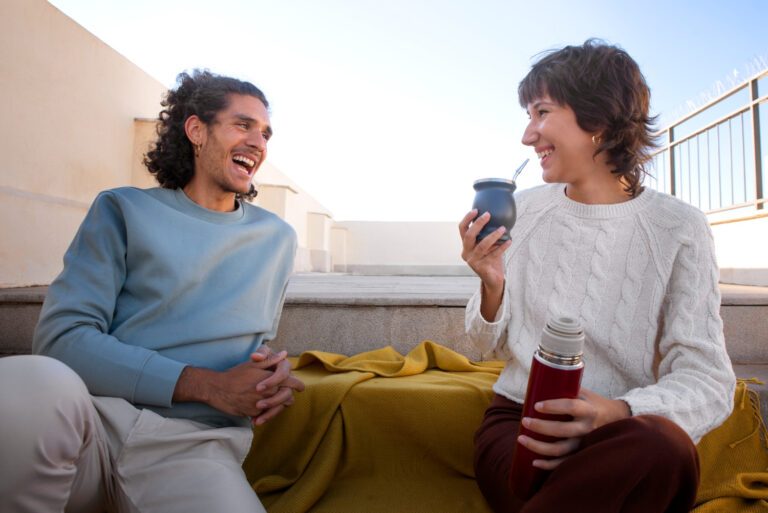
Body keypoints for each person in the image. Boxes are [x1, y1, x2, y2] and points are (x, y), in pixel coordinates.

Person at [0, 70, 304, 513]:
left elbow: (248, 340)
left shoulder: (278, 239)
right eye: (243, 125)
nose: (259, 141)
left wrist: (271, 372)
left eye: (265, 132)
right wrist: (206, 386)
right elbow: (60, 340)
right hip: (93, 428)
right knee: (31, 381)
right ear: (197, 130)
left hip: (193, 452)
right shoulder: (123, 209)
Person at [459, 40, 736, 512]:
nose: (528, 135)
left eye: (541, 112)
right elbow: (490, 346)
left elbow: (707, 379)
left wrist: (615, 413)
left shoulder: (679, 228)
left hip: (621, 432)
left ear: (599, 120)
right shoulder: (522, 210)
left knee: (666, 450)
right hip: (522, 423)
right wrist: (492, 283)